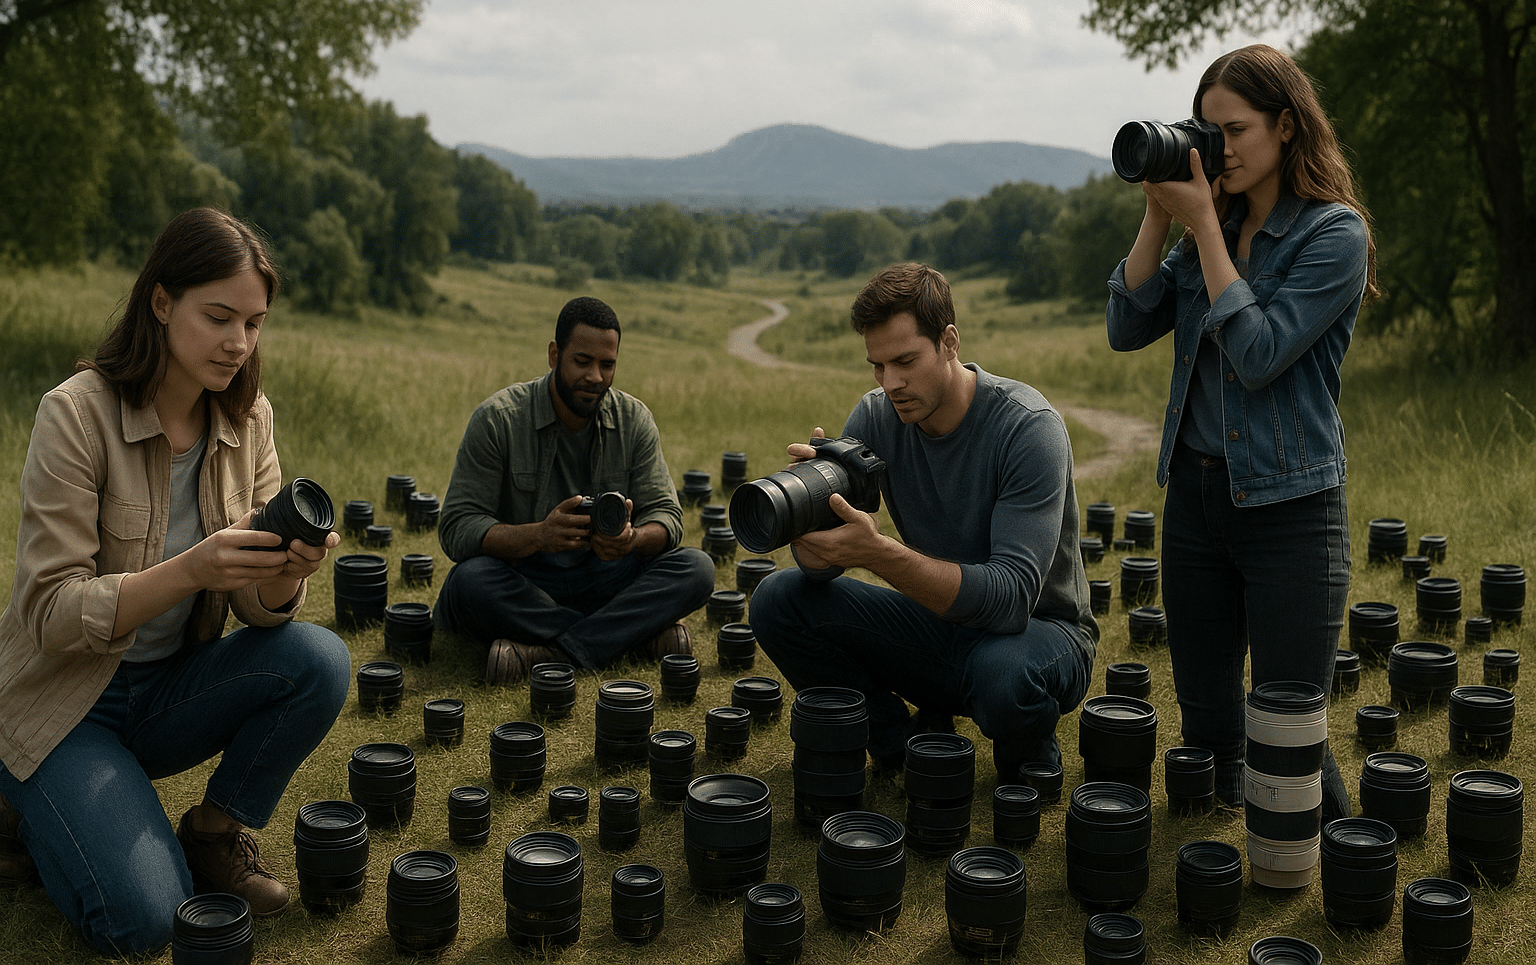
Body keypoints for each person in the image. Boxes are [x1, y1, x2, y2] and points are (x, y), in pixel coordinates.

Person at [0, 208, 352, 954]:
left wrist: (287, 577)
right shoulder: (74, 415)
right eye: (218, 316)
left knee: (318, 659)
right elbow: (49, 612)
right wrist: (190, 568)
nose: (238, 343)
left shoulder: (249, 417)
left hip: (169, 690)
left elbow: (259, 615)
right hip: (66, 702)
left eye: (254, 323)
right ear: (161, 303)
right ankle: (28, 808)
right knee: (147, 921)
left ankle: (213, 834)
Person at [1105, 44, 1376, 820]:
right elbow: (1126, 325)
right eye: (1207, 129)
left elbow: (1258, 355)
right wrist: (1161, 217)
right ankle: (1213, 867)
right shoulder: (1202, 232)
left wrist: (1206, 231)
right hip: (1195, 499)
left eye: (1237, 129)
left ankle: (1344, 862)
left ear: (1287, 127)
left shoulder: (1333, 236)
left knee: (1288, 728)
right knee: (1211, 724)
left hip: (1292, 509)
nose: (1218, 147)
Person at [750, 263, 1098, 781]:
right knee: (778, 601)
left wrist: (877, 551)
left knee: (1001, 673)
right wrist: (809, 516)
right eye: (878, 366)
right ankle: (899, 744)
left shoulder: (1028, 428)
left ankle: (1030, 756)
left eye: (906, 361)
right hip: (940, 624)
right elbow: (821, 574)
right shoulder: (876, 417)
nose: (891, 383)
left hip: (1040, 633)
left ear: (949, 342)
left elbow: (1009, 600)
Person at [434, 296, 715, 684]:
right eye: (582, 362)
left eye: (607, 364)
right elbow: (457, 528)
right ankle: (627, 638)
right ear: (554, 355)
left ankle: (553, 653)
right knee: (468, 583)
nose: (595, 377)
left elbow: (668, 518)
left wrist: (631, 541)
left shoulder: (634, 420)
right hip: (526, 582)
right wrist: (539, 536)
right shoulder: (498, 419)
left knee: (697, 568)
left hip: (606, 577)